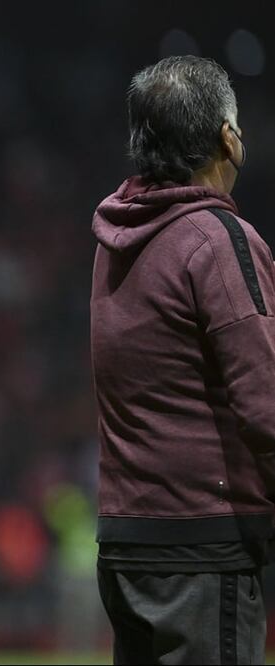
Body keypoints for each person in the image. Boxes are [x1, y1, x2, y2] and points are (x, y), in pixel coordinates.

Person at [91, 55, 275, 665]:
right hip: (204, 542)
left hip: (126, 539)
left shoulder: (117, 239)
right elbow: (265, 403)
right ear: (228, 136)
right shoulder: (217, 239)